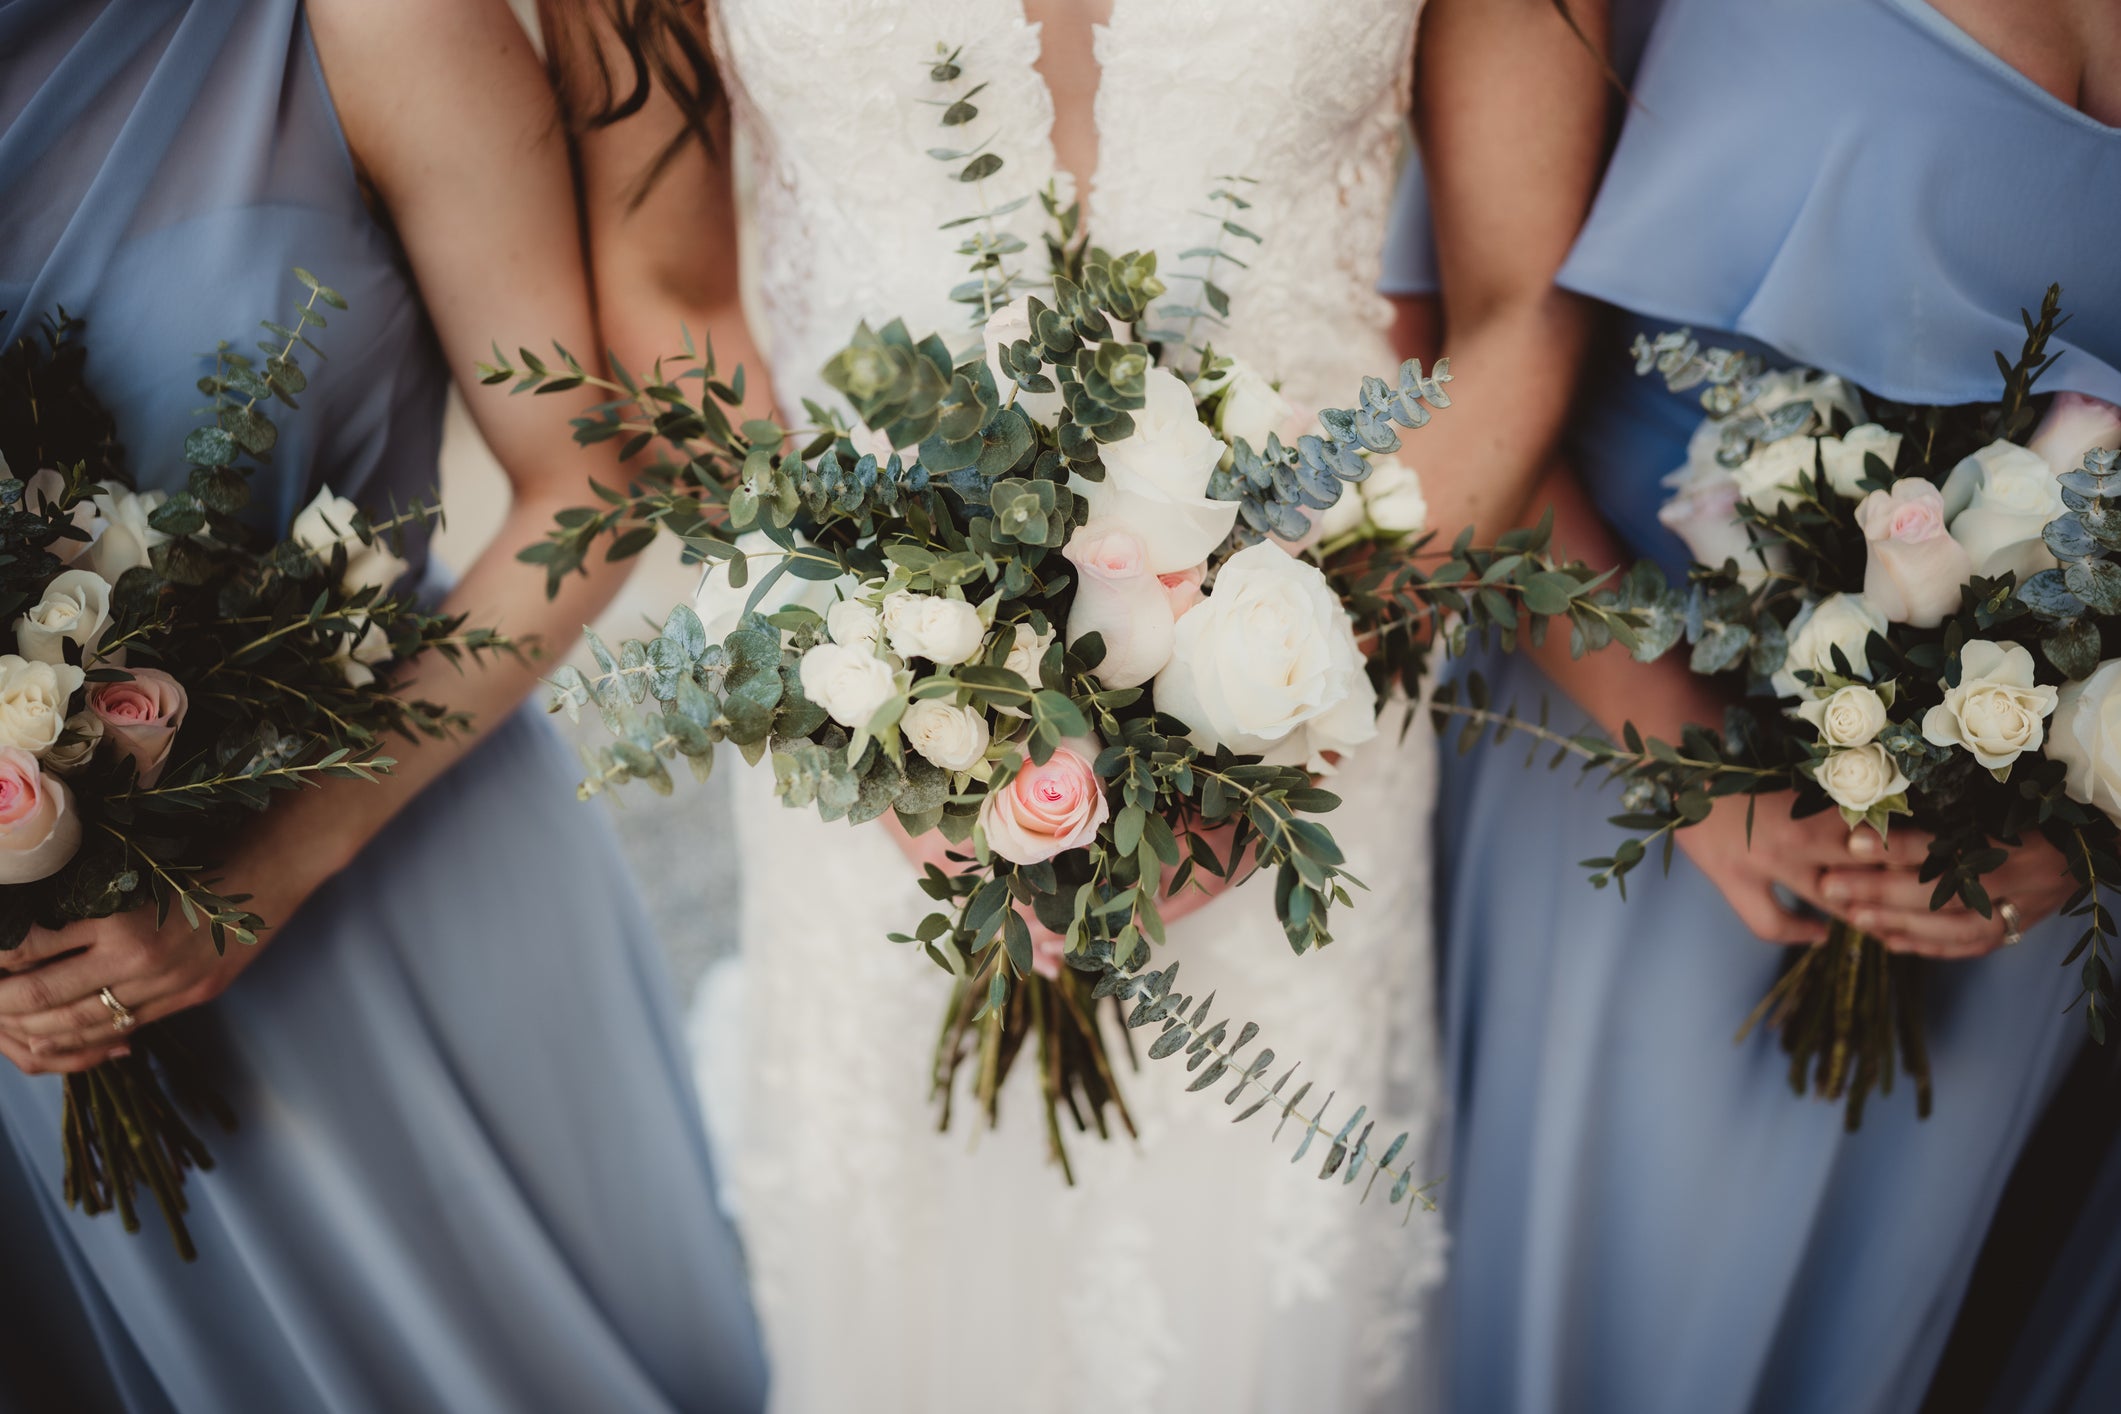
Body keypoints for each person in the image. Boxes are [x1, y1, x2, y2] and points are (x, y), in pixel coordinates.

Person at [551, 0, 1613, 1408]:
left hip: (1307, 707)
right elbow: (664, 285)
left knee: (1252, 1294)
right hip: (868, 711)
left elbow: (1520, 302)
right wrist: (850, 681)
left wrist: (1283, 690)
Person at [0, 2, 766, 1409]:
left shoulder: (358, 22)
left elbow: (590, 482)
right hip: (28, 1054)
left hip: (394, 871)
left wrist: (271, 858)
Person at [1413, 0, 2121, 1410]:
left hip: (2046, 888)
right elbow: (1473, 355)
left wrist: (2088, 813)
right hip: (1647, 775)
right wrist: (1690, 767)